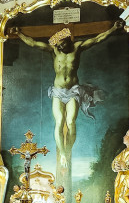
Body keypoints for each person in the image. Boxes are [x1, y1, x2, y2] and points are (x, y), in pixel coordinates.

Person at [11, 23, 121, 170]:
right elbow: (33, 43)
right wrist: (19, 33)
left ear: (68, 40)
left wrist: (113, 28)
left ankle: (67, 150)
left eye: (62, 43)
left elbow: (97, 39)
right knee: (59, 121)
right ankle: (62, 152)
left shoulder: (78, 48)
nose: (59, 45)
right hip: (57, 91)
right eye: (58, 43)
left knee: (70, 122)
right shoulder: (54, 51)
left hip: (73, 91)